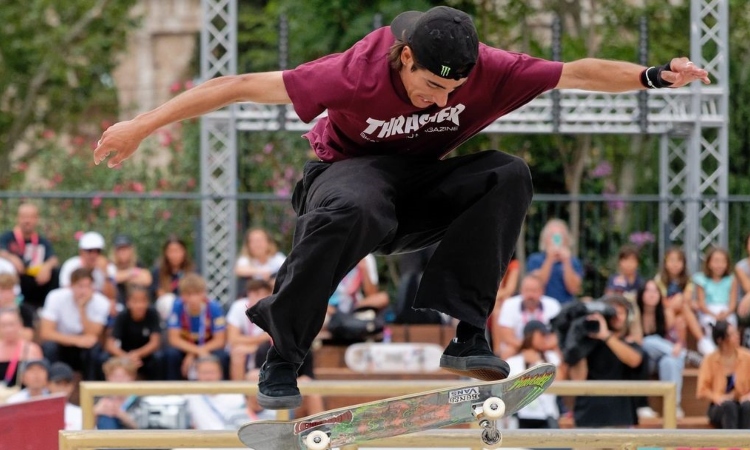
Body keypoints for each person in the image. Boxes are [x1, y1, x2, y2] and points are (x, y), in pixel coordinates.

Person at [93, 5, 709, 409]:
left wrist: (653, 76)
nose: (438, 99)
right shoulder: (353, 73)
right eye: (431, 87)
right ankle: (282, 356)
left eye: (452, 91)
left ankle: (469, 335)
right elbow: (236, 87)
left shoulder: (490, 71)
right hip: (344, 181)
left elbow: (576, 72)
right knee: (358, 204)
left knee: (508, 174)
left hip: (422, 189)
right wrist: (140, 126)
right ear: (406, 57)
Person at [568, 295, 647, 427]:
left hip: (620, 417)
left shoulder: (630, 344)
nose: (618, 316)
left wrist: (606, 336)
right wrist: (580, 342)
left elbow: (634, 360)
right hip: (588, 417)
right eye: (613, 311)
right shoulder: (588, 344)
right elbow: (578, 380)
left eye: (622, 312)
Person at [39, 268, 110, 380]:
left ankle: (90, 388)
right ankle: (53, 385)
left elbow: (93, 335)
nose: (84, 291)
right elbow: (46, 333)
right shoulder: (55, 297)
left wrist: (82, 309)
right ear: (71, 286)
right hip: (62, 344)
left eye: (88, 286)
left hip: (84, 349)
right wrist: (77, 340)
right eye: (80, 286)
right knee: (49, 347)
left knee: (95, 350)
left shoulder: (102, 302)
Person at [636, 280, 686, 418]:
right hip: (642, 360)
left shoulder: (666, 314)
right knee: (647, 342)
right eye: (648, 290)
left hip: (660, 359)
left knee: (670, 361)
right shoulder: (635, 314)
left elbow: (677, 339)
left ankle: (674, 405)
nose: (652, 294)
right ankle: (682, 354)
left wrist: (677, 346)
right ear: (641, 294)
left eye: (655, 291)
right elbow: (637, 342)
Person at [164, 273, 228, 380]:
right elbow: (174, 339)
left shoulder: (214, 307)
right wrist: (196, 351)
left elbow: (220, 340)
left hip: (208, 345)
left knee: (222, 356)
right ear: (182, 295)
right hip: (185, 346)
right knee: (171, 355)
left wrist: (194, 354)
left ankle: (222, 391)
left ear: (204, 293)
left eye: (197, 294)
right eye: (188, 294)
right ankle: (174, 392)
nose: (193, 299)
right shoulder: (177, 306)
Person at [187, 355, 271, 430]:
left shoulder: (236, 395)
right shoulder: (189, 396)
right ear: (196, 374)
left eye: (212, 372)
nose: (208, 377)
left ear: (220, 373)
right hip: (202, 442)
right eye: (204, 373)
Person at [0, 203, 59, 309]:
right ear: (18, 218)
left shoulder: (42, 241)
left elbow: (53, 259)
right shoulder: (7, 237)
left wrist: (47, 267)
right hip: (16, 279)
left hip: (36, 281)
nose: (27, 221)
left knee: (56, 272)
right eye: (24, 217)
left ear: (37, 219)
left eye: (31, 217)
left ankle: (47, 308)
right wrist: (11, 258)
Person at [506, 320, 562, 429]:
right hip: (521, 414)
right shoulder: (513, 361)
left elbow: (560, 380)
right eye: (541, 334)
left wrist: (537, 363)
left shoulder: (551, 357)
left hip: (547, 414)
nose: (544, 338)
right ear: (530, 335)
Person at [696, 320, 750, 429]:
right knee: (729, 406)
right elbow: (702, 391)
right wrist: (717, 398)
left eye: (736, 332)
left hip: (742, 400)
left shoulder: (747, 357)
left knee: (747, 407)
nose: (737, 336)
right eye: (732, 334)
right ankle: (732, 445)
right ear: (721, 340)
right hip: (720, 405)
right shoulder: (709, 360)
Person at [104, 284, 163, 380]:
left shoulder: (152, 314)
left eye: (143, 301)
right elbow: (110, 344)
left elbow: (155, 342)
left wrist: (137, 354)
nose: (139, 305)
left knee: (159, 358)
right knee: (103, 358)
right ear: (128, 302)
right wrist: (126, 357)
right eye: (135, 301)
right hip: (124, 354)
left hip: (145, 355)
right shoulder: (122, 316)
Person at [654, 247, 707, 354]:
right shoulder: (659, 279)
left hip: (681, 311)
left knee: (681, 319)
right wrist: (679, 300)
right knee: (677, 307)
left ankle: (681, 348)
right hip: (665, 311)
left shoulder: (688, 279)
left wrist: (681, 301)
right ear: (665, 263)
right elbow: (662, 302)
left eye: (679, 261)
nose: (675, 264)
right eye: (672, 260)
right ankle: (702, 340)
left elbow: (687, 298)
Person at [495, 274, 561, 359]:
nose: (530, 295)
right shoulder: (509, 304)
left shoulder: (553, 305)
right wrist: (529, 346)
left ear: (542, 291)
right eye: (527, 290)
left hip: (545, 346)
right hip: (518, 346)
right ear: (521, 290)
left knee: (561, 352)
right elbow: (507, 337)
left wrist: (541, 346)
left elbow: (557, 335)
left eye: (534, 291)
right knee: (507, 351)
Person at [527, 219, 584, 305]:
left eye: (560, 236)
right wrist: (549, 259)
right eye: (552, 236)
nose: (556, 239)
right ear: (545, 239)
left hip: (565, 306)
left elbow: (573, 289)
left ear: (566, 239)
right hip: (541, 307)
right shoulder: (535, 259)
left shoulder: (574, 262)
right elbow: (538, 285)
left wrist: (566, 262)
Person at [226, 279, 272, 381]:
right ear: (249, 294)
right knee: (237, 352)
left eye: (264, 294)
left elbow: (273, 337)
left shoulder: (272, 310)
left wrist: (254, 346)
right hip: (250, 345)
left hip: (265, 348)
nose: (260, 297)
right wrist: (256, 342)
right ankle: (239, 393)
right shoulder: (238, 306)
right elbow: (232, 339)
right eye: (256, 294)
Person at [59, 231, 116, 300]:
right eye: (89, 251)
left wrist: (105, 274)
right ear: (81, 252)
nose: (93, 255)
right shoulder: (71, 266)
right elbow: (66, 293)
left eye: (97, 251)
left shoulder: (107, 268)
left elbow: (110, 298)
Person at [693, 247, 738, 335]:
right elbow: (702, 304)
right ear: (709, 263)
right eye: (716, 261)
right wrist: (714, 315)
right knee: (709, 327)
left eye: (723, 261)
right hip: (708, 311)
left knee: (731, 327)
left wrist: (725, 314)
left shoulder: (732, 279)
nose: (720, 265)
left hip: (726, 310)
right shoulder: (701, 279)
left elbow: (733, 304)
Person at [150, 236, 196, 319]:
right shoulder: (158, 271)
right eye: (171, 251)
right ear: (165, 253)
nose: (174, 255)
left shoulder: (192, 271)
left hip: (187, 305)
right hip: (166, 310)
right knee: (168, 301)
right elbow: (160, 293)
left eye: (177, 251)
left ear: (184, 251)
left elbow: (195, 292)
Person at [0, 307, 43, 395]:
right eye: (3, 325)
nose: (8, 329)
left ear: (20, 325)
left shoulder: (32, 349)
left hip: (24, 398)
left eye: (11, 324)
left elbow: (40, 378)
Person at [94, 357, 139, 429]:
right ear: (107, 378)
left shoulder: (140, 400)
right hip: (104, 436)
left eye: (123, 376)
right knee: (106, 418)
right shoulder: (98, 398)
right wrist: (95, 412)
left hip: (132, 437)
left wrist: (121, 415)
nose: (119, 380)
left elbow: (145, 428)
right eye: (114, 376)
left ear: (132, 378)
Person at [111, 235, 152, 305]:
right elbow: (113, 277)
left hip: (136, 304)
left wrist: (123, 277)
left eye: (125, 249)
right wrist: (133, 273)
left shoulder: (138, 263)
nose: (123, 252)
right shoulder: (111, 264)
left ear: (131, 250)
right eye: (120, 249)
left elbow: (147, 279)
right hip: (118, 303)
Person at [47, 362, 83, 430]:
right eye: (58, 384)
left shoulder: (81, 413)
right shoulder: (39, 412)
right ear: (48, 385)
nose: (62, 388)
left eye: (66, 384)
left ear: (72, 386)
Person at [0, 273, 35, 340]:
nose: (6, 294)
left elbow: (28, 336)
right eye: (2, 290)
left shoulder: (24, 310)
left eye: (9, 290)